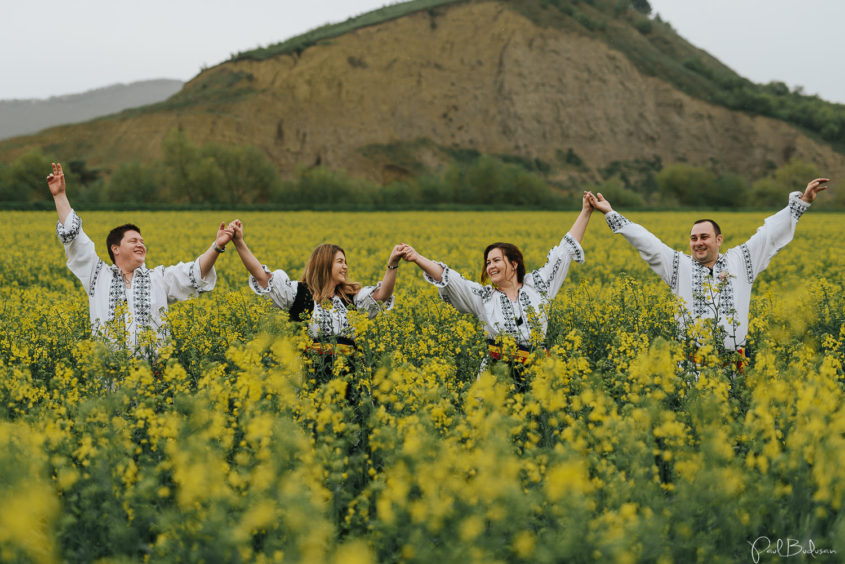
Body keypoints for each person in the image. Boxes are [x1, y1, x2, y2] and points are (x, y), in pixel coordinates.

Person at [586, 178, 830, 354]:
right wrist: (611, 214)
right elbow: (648, 243)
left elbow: (770, 235)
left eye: (704, 237)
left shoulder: (742, 260)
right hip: (693, 373)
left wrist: (802, 203)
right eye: (693, 238)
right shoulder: (677, 266)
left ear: (718, 240)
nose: (698, 243)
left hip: (735, 372)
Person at [400, 193, 595, 381]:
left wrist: (585, 211)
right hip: (498, 375)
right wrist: (417, 258)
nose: (490, 266)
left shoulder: (539, 286)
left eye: (496, 260)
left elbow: (564, 252)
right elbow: (449, 277)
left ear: (514, 263)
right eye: (487, 263)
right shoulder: (483, 297)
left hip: (539, 371)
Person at [47, 162, 230, 348]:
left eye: (142, 242)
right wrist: (60, 196)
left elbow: (195, 272)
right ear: (115, 249)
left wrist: (216, 247)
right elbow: (77, 240)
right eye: (133, 241)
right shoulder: (97, 276)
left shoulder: (158, 278)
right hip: (110, 374)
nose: (140, 245)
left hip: (152, 373)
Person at [227, 219, 406, 374]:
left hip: (349, 374)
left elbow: (382, 296)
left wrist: (392, 264)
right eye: (340, 262)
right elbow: (261, 275)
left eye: (346, 262)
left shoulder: (352, 299)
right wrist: (239, 242)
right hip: (310, 373)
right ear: (324, 264)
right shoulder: (298, 293)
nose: (345, 267)